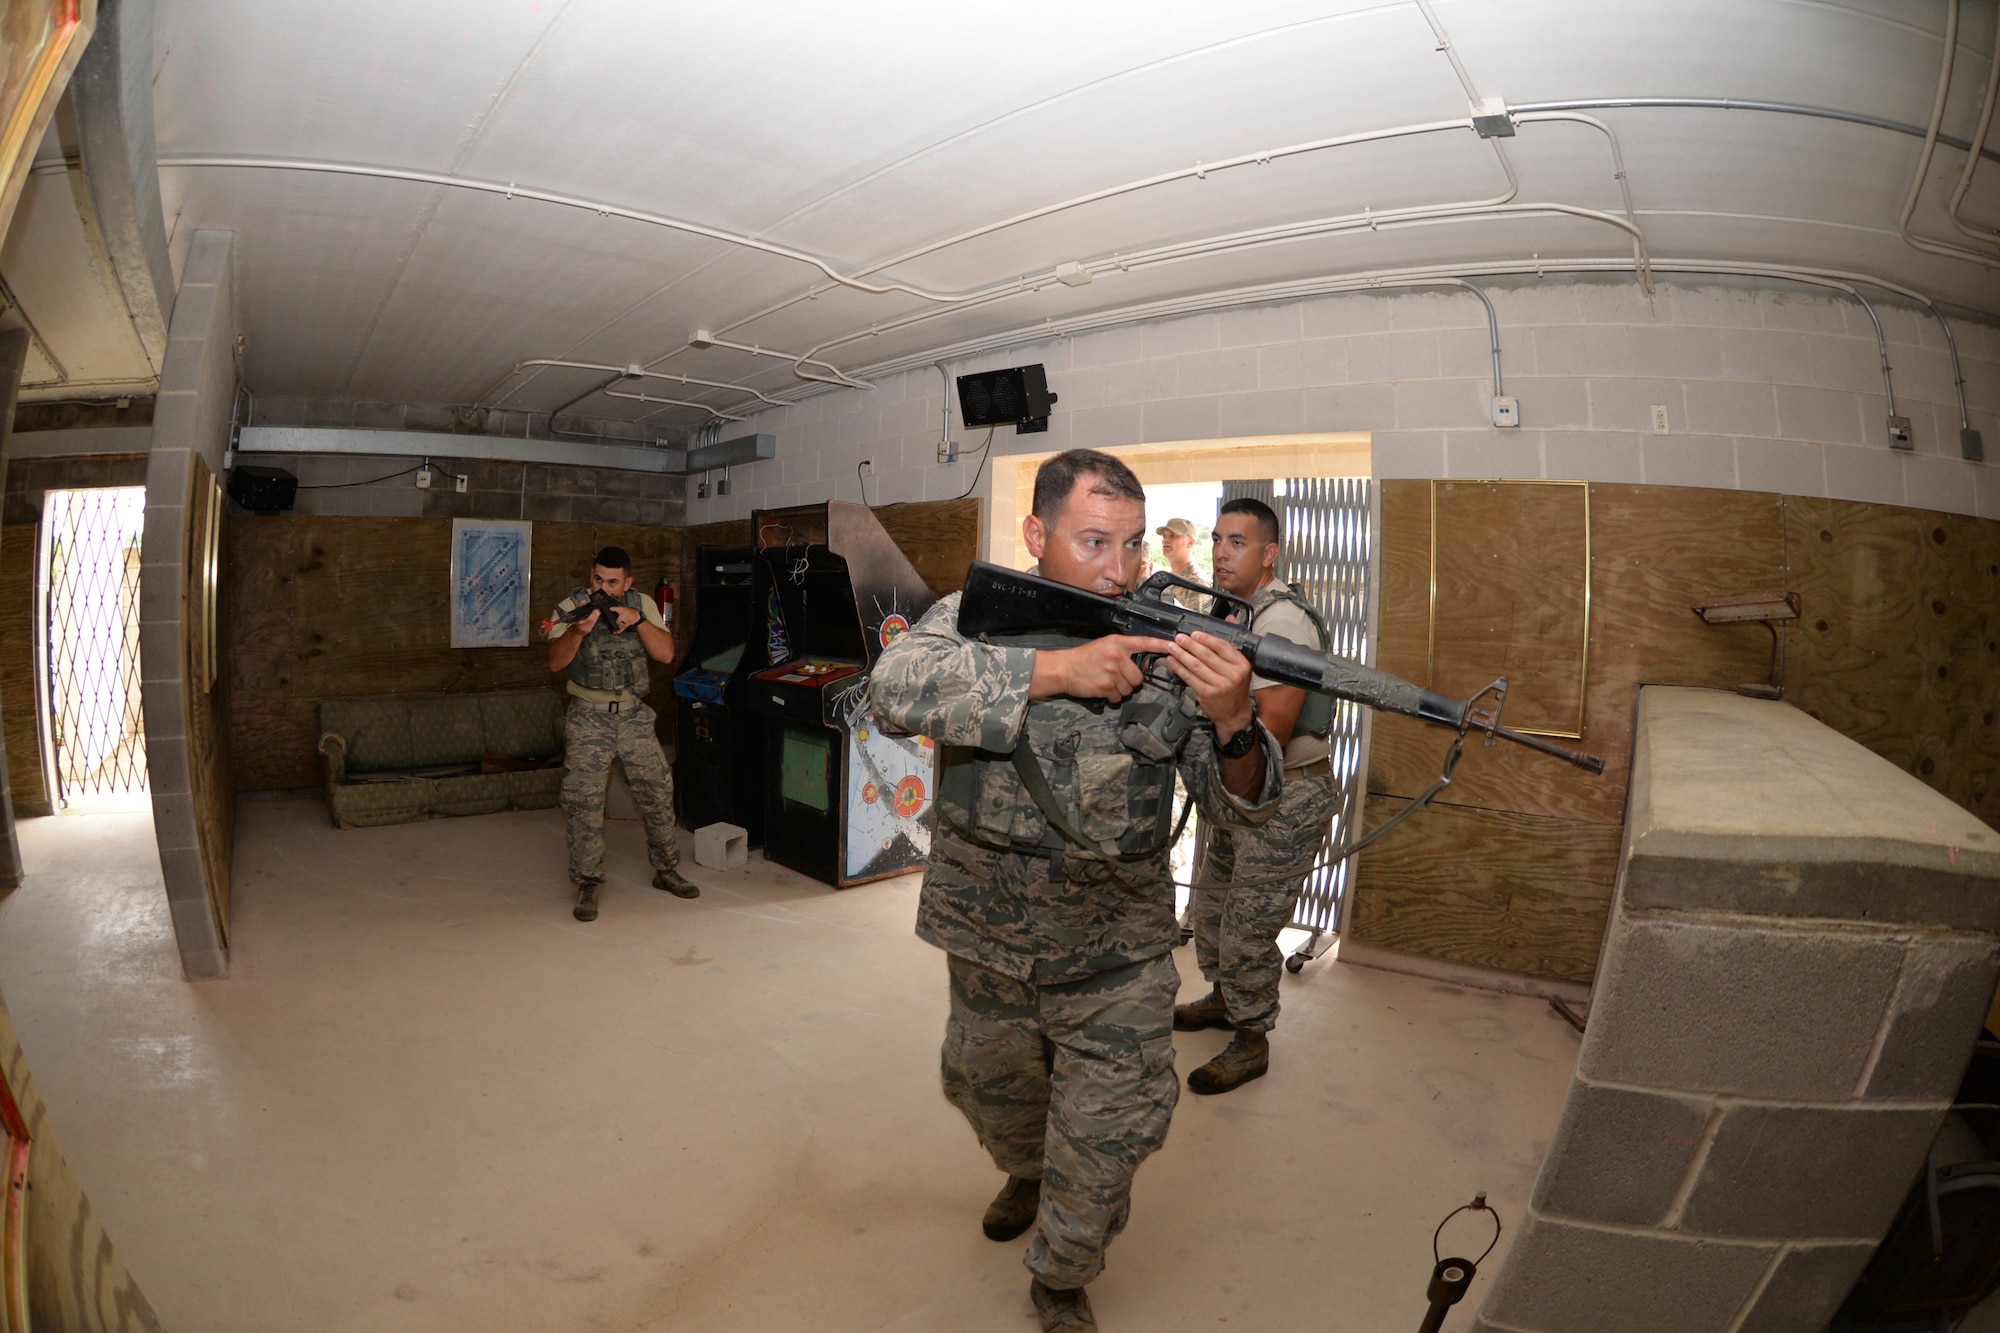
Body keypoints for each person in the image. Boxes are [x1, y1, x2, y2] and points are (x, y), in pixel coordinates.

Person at [871, 450, 1282, 1333]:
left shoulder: (1173, 641)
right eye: (1094, 541)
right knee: (988, 1089)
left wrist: (1236, 720)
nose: (1120, 569)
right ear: (1035, 535)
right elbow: (892, 688)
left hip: (1118, 940)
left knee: (1111, 1128)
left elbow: (1236, 801)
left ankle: (1061, 1271)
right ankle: (1025, 1166)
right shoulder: (979, 615)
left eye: (1133, 545)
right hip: (987, 930)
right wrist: (1056, 672)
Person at [1175, 498, 1339, 1093]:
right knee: (1216, 910)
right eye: (1218, 539)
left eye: (1237, 542)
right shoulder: (1238, 614)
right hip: (1240, 795)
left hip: (1286, 797)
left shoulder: (1284, 623)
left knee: (1248, 927)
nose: (1221, 552)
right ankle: (1224, 999)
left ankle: (1251, 1039)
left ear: (1268, 554)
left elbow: (1269, 728)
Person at [545, 545, 700, 922]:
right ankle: (587, 882)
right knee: (584, 804)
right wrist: (579, 632)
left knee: (658, 792)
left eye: (613, 582)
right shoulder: (571, 607)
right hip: (587, 718)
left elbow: (665, 655)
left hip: (632, 717)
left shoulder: (642, 603)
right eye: (598, 578)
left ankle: (666, 869)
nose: (604, 587)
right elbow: (555, 661)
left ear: (627, 581)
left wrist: (639, 620)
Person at [1154, 517, 1206, 608]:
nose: (1165, 540)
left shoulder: (1197, 584)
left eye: (1173, 535)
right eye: (1164, 536)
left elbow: (1196, 621)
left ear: (1190, 542)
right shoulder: (1166, 580)